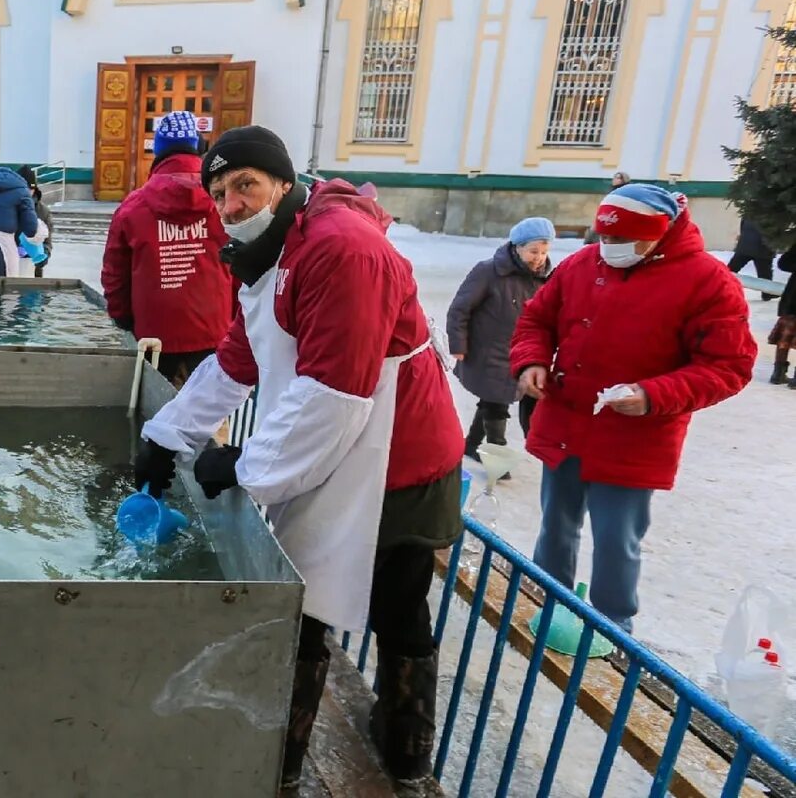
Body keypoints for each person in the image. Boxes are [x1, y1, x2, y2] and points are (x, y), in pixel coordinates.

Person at [133, 126, 463, 786]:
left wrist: (245, 466)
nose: (231, 205)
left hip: (399, 465)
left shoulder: (342, 249)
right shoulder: (275, 249)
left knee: (389, 608)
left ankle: (401, 754)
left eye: (245, 185)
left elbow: (335, 394)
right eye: (219, 193)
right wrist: (167, 435)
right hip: (340, 456)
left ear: (284, 183)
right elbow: (240, 355)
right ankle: (278, 761)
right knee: (304, 613)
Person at [512, 183, 756, 632]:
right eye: (605, 238)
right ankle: (549, 604)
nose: (611, 249)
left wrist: (652, 395)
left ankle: (611, 629)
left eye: (624, 241)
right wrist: (530, 361)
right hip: (566, 421)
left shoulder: (708, 281)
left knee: (616, 539)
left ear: (660, 233)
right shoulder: (583, 264)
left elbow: (729, 366)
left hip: (635, 439)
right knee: (555, 526)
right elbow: (537, 320)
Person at [101, 111, 233, 387]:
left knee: (156, 411)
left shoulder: (133, 206)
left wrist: (123, 318)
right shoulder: (223, 202)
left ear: (158, 151)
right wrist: (232, 320)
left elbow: (115, 274)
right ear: (198, 147)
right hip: (213, 333)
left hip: (154, 338)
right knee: (209, 416)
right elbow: (242, 266)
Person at [446, 217, 555, 469]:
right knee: (497, 401)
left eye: (543, 252)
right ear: (516, 247)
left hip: (520, 353)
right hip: (487, 350)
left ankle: (472, 444)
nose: (538, 258)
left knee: (493, 398)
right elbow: (460, 309)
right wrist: (458, 344)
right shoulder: (488, 271)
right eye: (533, 251)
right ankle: (497, 454)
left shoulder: (545, 278)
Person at [16, 165, 55, 277]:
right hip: (9, 266)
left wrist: (45, 255)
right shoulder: (7, 208)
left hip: (32, 269)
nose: (28, 192)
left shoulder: (43, 211)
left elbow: (47, 242)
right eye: (24, 188)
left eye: (31, 189)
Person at [728, 218, 777, 301]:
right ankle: (766, 294)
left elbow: (742, 226)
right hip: (762, 248)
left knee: (731, 269)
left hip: (744, 246)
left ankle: (719, 287)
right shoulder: (772, 213)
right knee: (764, 273)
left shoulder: (749, 211)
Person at [768, 248, 796, 387]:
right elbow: (783, 263)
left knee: (784, 339)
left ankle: (778, 374)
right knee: (785, 337)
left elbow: (784, 263)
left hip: (792, 299)